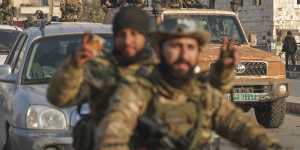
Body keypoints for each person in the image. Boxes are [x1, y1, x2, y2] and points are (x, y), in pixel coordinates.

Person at [47, 6, 235, 150]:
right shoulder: (100, 69)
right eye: (122, 35)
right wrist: (74, 66)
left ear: (145, 37)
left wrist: (223, 72)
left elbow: (207, 92)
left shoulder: (162, 67)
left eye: (134, 34)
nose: (128, 41)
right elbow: (59, 98)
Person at [96, 18, 284, 150]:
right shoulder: (136, 91)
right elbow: (112, 137)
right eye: (176, 46)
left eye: (190, 47)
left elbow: (241, 127)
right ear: (159, 51)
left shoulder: (203, 94)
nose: (184, 55)